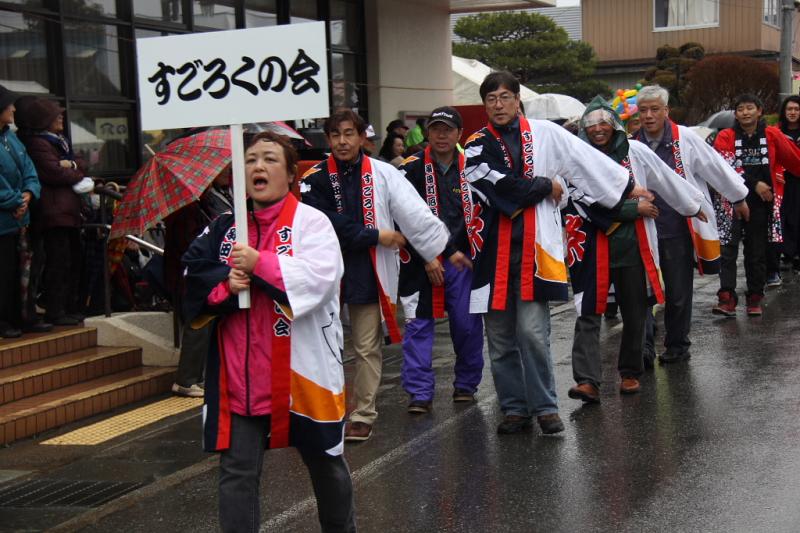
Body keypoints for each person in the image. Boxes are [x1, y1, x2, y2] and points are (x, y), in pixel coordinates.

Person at [182, 131, 355, 533]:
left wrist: (260, 263)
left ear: (291, 173)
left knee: (327, 464)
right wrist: (227, 285)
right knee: (236, 473)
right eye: (251, 159)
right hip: (239, 378)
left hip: (302, 374)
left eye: (270, 159)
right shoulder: (224, 228)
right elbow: (190, 274)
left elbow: (321, 279)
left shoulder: (313, 223)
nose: (259, 167)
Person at [463, 72, 639, 435]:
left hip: (535, 251)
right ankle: (514, 409)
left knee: (532, 333)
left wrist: (627, 186)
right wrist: (545, 184)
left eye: (505, 97)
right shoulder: (477, 143)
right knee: (498, 341)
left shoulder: (545, 133)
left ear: (517, 101)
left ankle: (545, 406)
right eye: (491, 99)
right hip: (490, 256)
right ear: (485, 105)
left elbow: (584, 159)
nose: (498, 104)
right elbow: (489, 182)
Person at [301, 108, 448, 442]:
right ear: (328, 139)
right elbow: (323, 225)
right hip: (323, 273)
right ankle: (324, 409)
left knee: (367, 347)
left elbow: (412, 212)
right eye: (335, 135)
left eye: (348, 133)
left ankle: (363, 413)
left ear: (361, 137)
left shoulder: (381, 172)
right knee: (322, 345)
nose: (342, 141)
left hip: (366, 271)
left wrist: (436, 248)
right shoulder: (314, 178)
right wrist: (375, 235)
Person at [566, 97, 705, 402]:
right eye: (591, 124)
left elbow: (665, 177)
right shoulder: (575, 158)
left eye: (604, 122)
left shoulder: (635, 151)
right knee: (587, 312)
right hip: (592, 246)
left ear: (614, 125)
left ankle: (630, 372)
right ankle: (587, 380)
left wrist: (692, 205)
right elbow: (581, 200)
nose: (598, 129)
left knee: (635, 309)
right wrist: (632, 208)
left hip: (631, 244)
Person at [632, 85, 749, 363]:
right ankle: (643, 348)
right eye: (643, 110)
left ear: (666, 111)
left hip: (677, 226)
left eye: (655, 109)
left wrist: (738, 197)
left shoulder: (684, 138)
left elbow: (713, 167)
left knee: (677, 291)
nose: (648, 116)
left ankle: (677, 345)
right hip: (642, 228)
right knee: (641, 292)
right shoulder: (630, 142)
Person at [397, 106, 483, 413]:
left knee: (467, 325)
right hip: (421, 259)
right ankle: (419, 392)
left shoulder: (473, 166)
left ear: (459, 134)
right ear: (427, 133)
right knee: (418, 324)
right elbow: (400, 217)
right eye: (436, 129)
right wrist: (426, 255)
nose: (442, 135)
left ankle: (466, 384)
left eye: (448, 129)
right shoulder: (409, 169)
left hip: (462, 259)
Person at [712, 94, 800, 316]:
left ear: (759, 111)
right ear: (735, 114)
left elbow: (793, 159)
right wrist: (755, 184)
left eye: (750, 108)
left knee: (756, 251)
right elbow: (724, 166)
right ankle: (727, 297)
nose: (745, 112)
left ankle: (754, 296)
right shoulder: (725, 136)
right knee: (728, 250)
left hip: (761, 203)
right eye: (740, 109)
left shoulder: (771, 134)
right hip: (730, 201)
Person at [15, 98, 87, 326]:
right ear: (42, 120)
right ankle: (56, 309)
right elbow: (54, 173)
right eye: (55, 115)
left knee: (71, 261)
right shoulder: (37, 143)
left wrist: (72, 165)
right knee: (58, 262)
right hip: (53, 213)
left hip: (66, 211)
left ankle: (67, 307)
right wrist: (73, 168)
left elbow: (79, 163)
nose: (61, 118)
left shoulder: (58, 142)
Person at [165, 154, 232, 398]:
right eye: (223, 169)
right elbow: (188, 245)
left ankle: (199, 376)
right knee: (198, 323)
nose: (227, 172)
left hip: (209, 274)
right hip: (194, 276)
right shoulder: (187, 208)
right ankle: (187, 379)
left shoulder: (212, 199)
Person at [0, 85, 41, 339]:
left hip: (19, 218)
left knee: (21, 271)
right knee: (3, 274)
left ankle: (22, 316)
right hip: (4, 219)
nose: (13, 109)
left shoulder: (10, 137)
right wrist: (16, 200)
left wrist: (28, 193)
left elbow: (29, 168)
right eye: (8, 105)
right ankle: (4, 320)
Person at [776, 95, 800, 273]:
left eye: (796, 109)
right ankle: (788, 253)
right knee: (786, 216)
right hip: (785, 181)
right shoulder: (777, 132)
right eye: (789, 109)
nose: (793, 112)